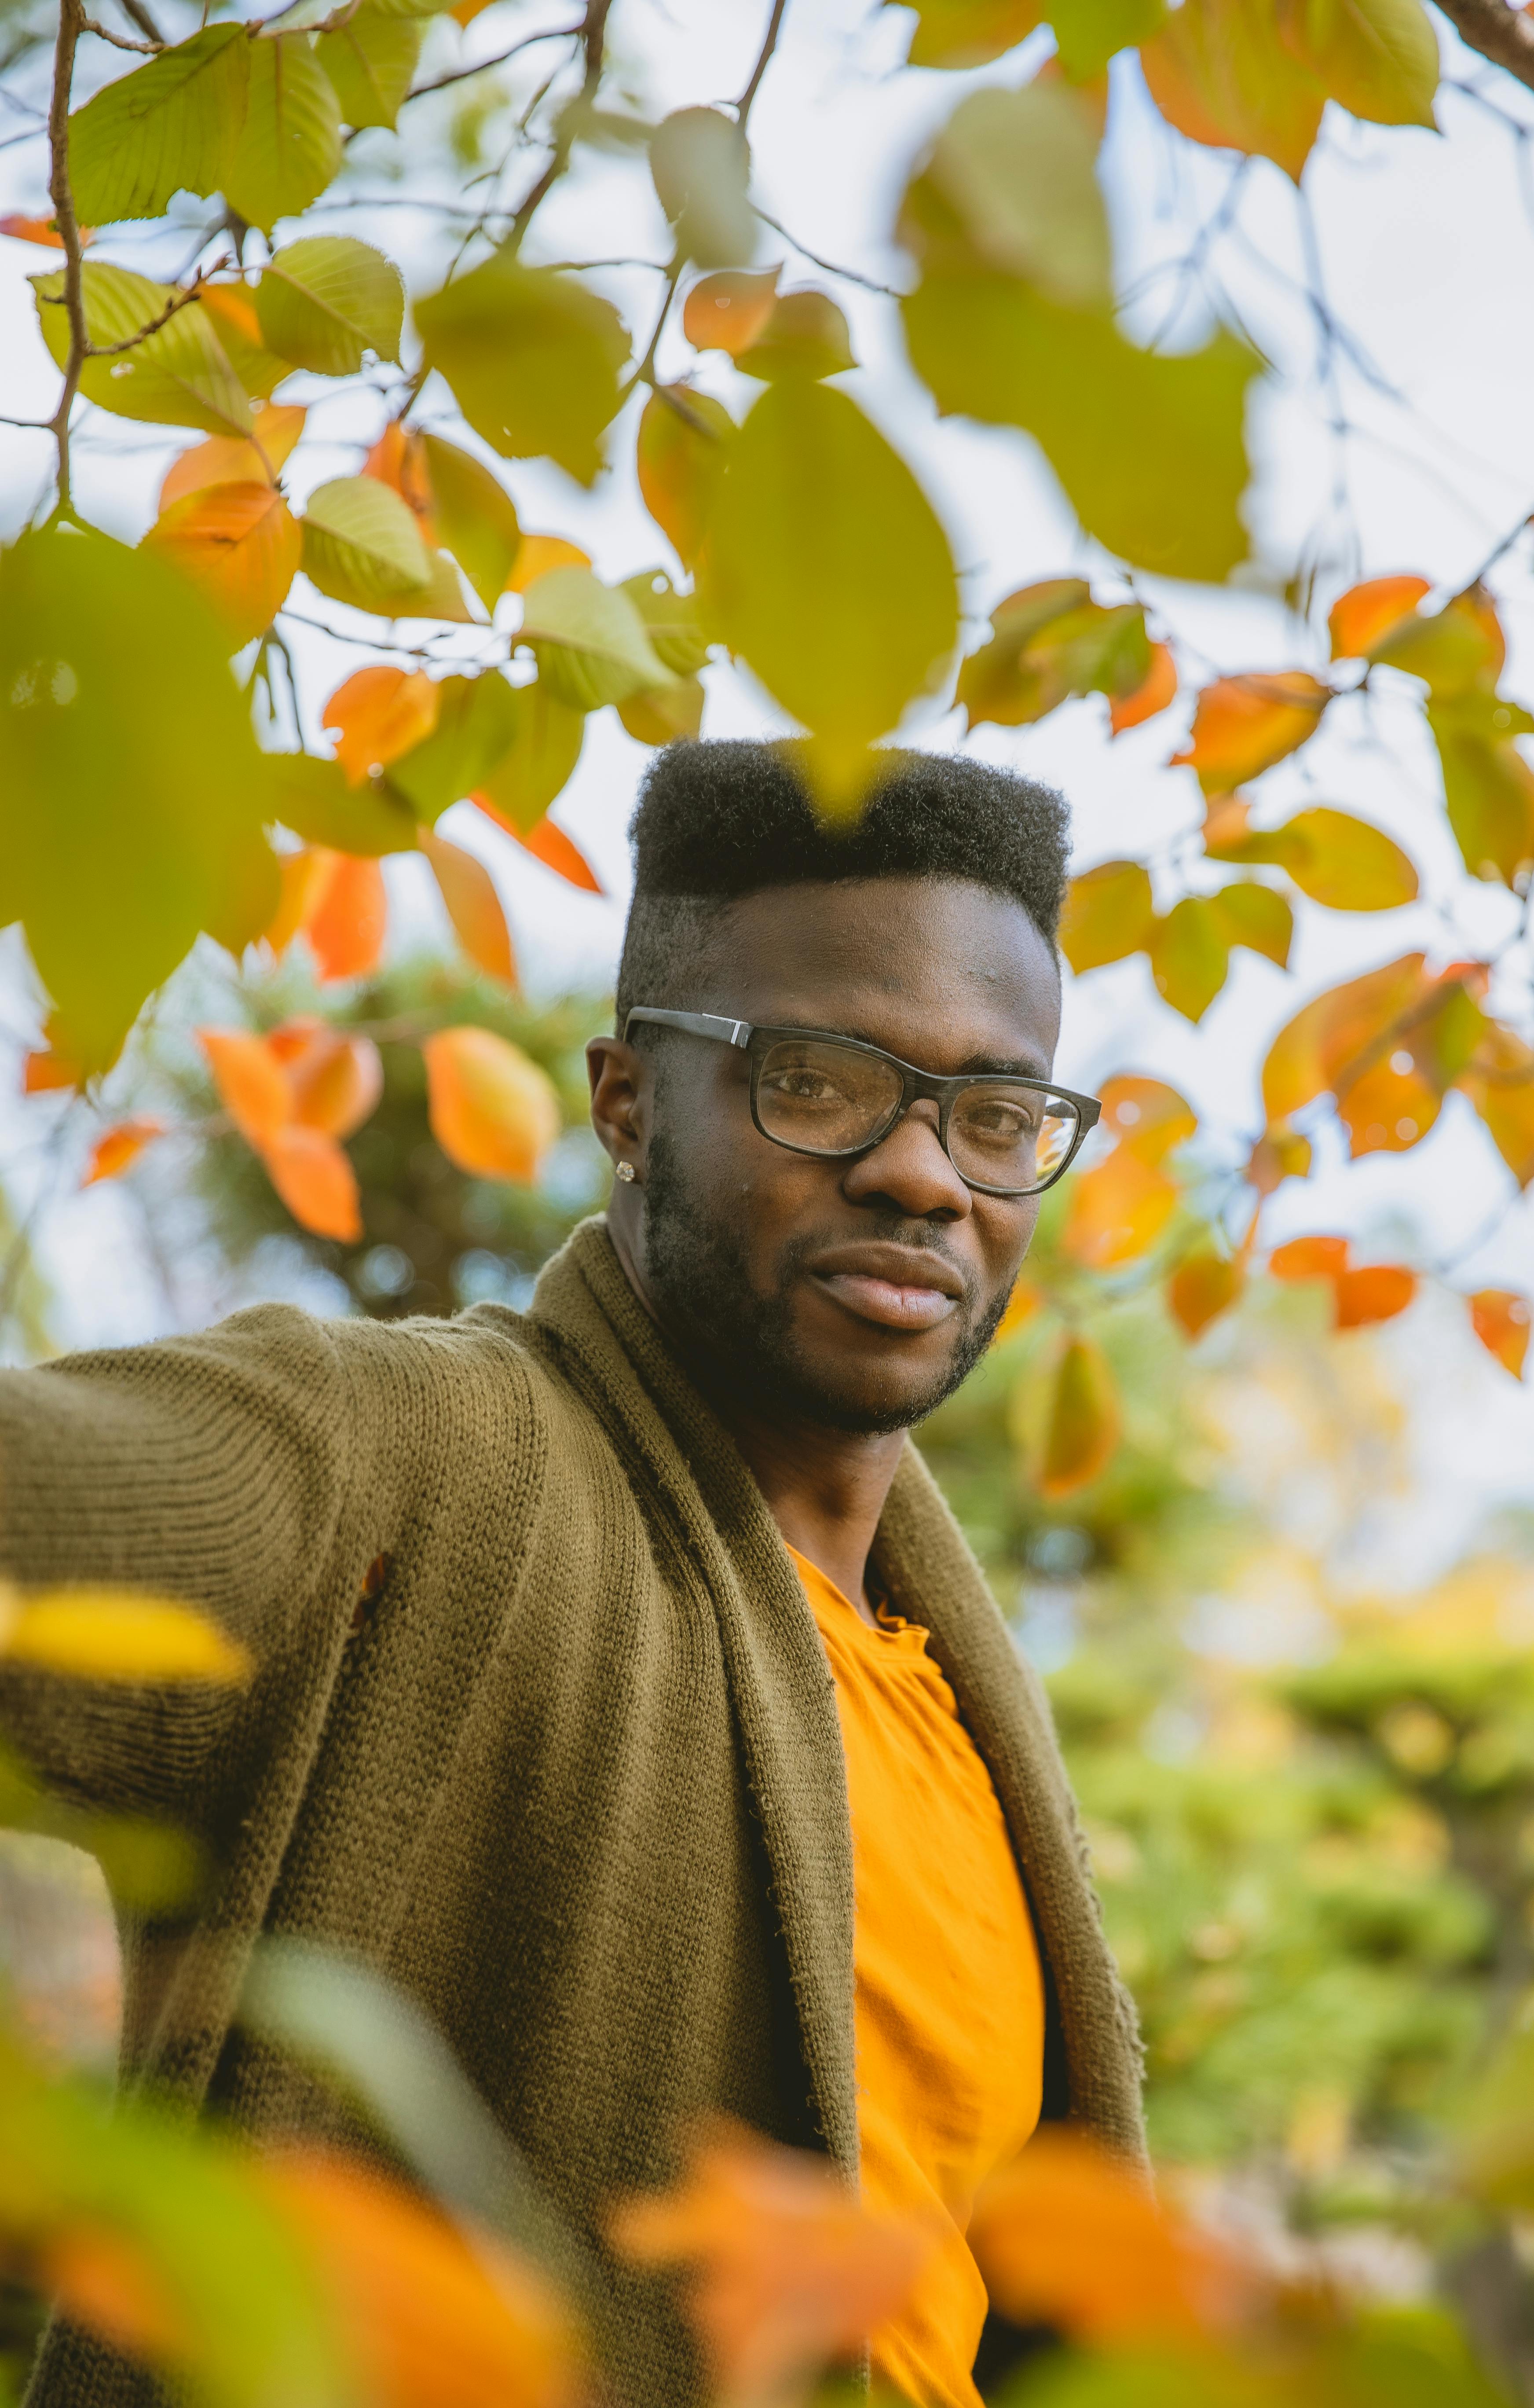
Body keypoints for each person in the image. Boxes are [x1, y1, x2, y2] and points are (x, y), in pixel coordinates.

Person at [0, 741, 1143, 2408]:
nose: (923, 1176)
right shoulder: (421, 1457)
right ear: (625, 1099)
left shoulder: (966, 1709)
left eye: (995, 1114)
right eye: (817, 1081)